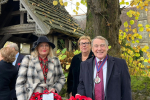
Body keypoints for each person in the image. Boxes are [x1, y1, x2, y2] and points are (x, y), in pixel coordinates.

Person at [77, 36, 132, 100]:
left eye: (102, 45)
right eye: (96, 46)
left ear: (107, 48)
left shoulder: (120, 64)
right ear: (92, 49)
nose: (99, 49)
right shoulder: (84, 65)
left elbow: (126, 89)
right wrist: (80, 95)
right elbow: (81, 85)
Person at [16, 36, 66, 100]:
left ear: (49, 48)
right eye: (41, 45)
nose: (44, 48)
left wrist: (55, 89)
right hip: (33, 96)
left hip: (50, 96)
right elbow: (20, 82)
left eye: (46, 45)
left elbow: (61, 78)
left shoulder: (55, 60)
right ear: (37, 48)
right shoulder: (28, 59)